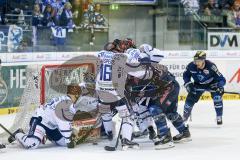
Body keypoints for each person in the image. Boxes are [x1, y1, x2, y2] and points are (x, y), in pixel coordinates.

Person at [8, 85, 82, 149]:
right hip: (40, 121)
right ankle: (18, 134)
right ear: (77, 95)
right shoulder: (65, 104)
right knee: (31, 144)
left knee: (64, 143)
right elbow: (63, 123)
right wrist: (69, 139)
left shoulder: (66, 101)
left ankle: (49, 136)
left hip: (52, 127)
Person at [183, 51, 226, 125]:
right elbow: (186, 76)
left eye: (198, 61)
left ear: (203, 60)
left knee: (217, 97)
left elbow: (222, 79)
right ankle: (184, 117)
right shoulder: (191, 66)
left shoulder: (211, 66)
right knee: (190, 97)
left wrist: (219, 86)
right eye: (195, 60)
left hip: (212, 84)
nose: (196, 63)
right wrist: (188, 84)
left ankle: (219, 116)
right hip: (198, 85)